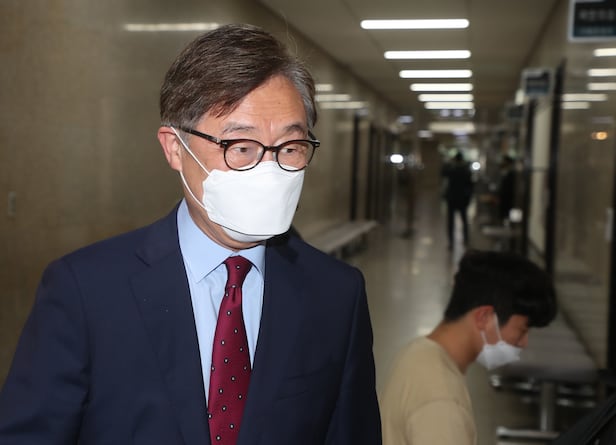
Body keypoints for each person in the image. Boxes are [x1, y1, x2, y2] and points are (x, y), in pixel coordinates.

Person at [0, 24, 381, 444]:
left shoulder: (336, 294)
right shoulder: (85, 291)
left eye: (290, 148)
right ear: (175, 148)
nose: (269, 170)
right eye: (241, 147)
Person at [380, 249, 557, 445]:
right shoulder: (443, 402)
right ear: (484, 317)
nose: (524, 342)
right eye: (522, 330)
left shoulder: (418, 352)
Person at [442, 151, 474, 249]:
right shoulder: (466, 170)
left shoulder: (452, 169)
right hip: (462, 199)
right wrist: (468, 198)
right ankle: (466, 239)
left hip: (452, 198)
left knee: (451, 222)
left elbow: (443, 173)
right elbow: (470, 186)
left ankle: (451, 242)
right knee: (464, 220)